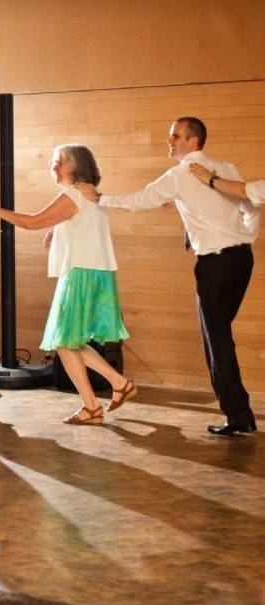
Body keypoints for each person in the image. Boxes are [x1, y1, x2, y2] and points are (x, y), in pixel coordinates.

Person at [90, 117, 259, 436]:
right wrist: (246, 235)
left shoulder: (180, 175)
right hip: (241, 260)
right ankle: (240, 411)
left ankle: (238, 415)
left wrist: (100, 199)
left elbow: (139, 202)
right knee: (221, 335)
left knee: (217, 339)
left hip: (214, 265)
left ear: (193, 142)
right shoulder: (226, 167)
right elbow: (251, 204)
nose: (169, 142)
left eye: (175, 136)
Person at [0, 145, 134, 424]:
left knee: (64, 343)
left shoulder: (74, 194)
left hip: (80, 274)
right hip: (94, 273)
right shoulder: (89, 194)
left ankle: (93, 405)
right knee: (69, 341)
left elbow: (32, 222)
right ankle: (116, 385)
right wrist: (58, 229)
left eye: (59, 163)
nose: (54, 168)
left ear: (76, 165)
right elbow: (78, 223)